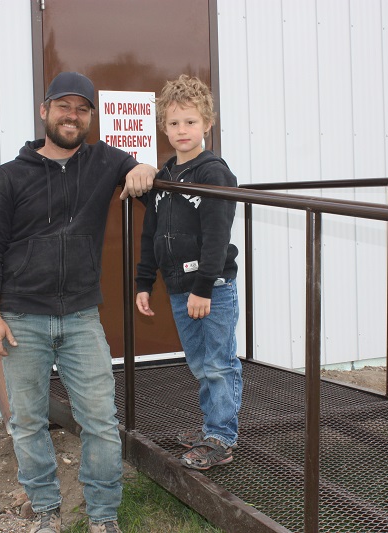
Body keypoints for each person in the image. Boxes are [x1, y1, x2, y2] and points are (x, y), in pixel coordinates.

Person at [0, 71, 155, 533]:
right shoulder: (10, 176)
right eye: (63, 106)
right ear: (45, 111)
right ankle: (45, 512)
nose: (72, 116)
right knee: (28, 421)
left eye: (82, 109)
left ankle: (103, 517)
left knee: (100, 419)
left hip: (79, 317)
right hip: (21, 318)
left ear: (90, 117)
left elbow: (145, 173)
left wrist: (144, 168)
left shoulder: (104, 162)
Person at [135, 74, 242, 470]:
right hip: (179, 287)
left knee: (219, 361)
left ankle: (222, 436)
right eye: (175, 123)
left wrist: (204, 288)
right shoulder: (164, 176)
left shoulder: (213, 172)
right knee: (199, 362)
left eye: (191, 122)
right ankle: (211, 423)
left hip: (210, 286)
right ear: (164, 127)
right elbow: (151, 233)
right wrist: (144, 281)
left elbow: (217, 235)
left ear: (207, 125)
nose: (183, 130)